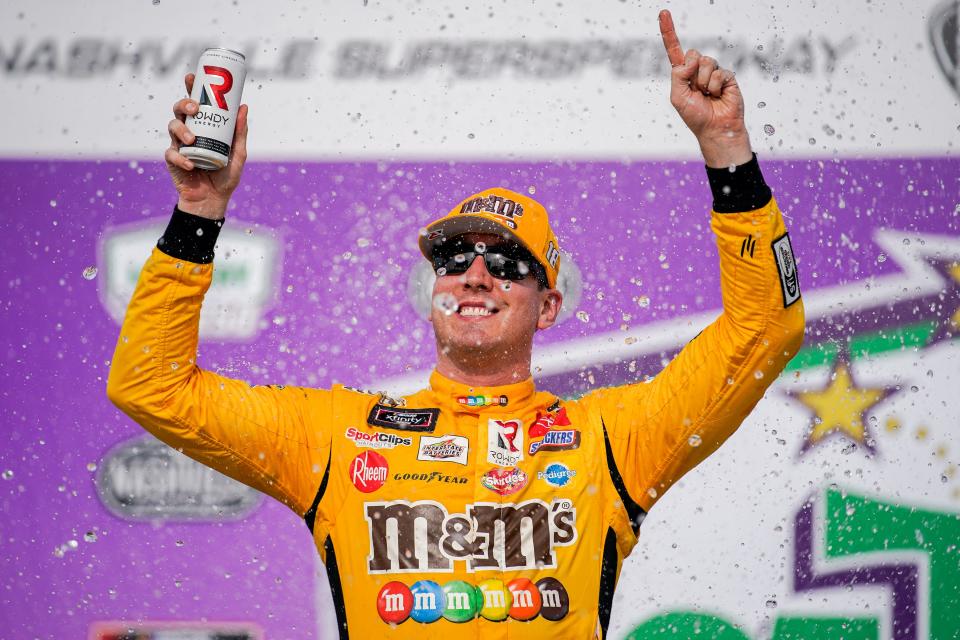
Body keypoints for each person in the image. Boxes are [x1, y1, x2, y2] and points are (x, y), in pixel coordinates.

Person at [107, 10, 804, 639]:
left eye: (506, 262)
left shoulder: (609, 441)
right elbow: (151, 388)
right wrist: (198, 213)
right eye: (453, 256)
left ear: (550, 304)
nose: (475, 274)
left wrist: (728, 149)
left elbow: (763, 330)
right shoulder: (338, 440)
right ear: (432, 286)